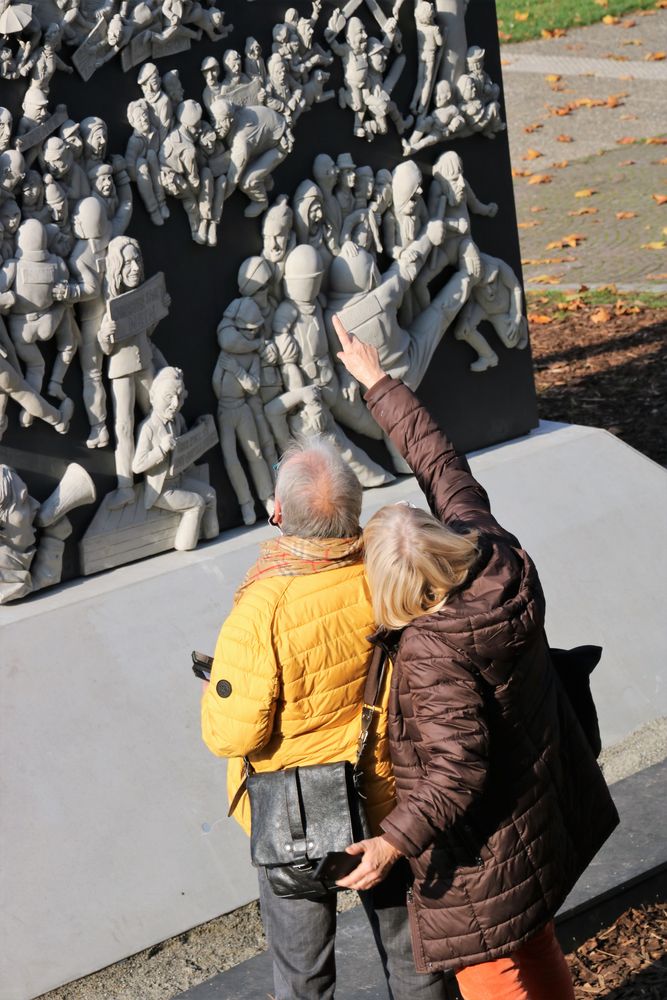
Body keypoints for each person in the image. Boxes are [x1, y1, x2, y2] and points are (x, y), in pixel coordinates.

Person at [331, 317, 619, 1000]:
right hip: (540, 791)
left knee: (494, 967)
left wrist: (392, 841)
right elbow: (442, 465)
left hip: (484, 847)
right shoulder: (492, 547)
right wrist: (378, 384)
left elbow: (458, 768)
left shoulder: (430, 649)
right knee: (533, 940)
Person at [201, 438, 448, 1000]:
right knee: (416, 966)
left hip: (296, 821)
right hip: (388, 807)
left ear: (278, 513)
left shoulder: (261, 608)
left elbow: (231, 733)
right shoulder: (388, 573)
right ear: (354, 511)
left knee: (304, 981)